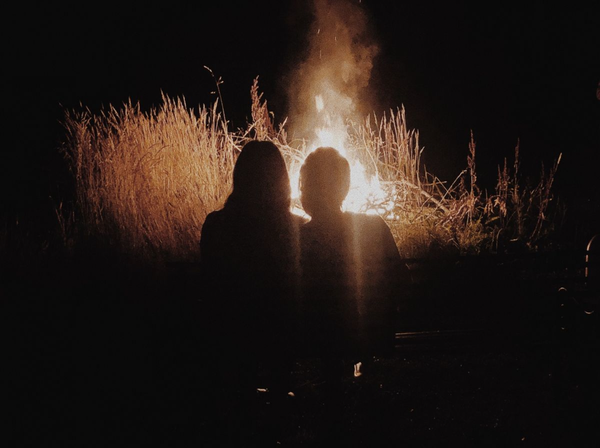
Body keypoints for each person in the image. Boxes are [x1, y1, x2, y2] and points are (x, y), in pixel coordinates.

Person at [199, 140, 306, 444]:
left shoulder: (215, 225)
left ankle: (242, 417)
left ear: (239, 178)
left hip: (231, 330)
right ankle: (277, 408)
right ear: (282, 181)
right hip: (284, 332)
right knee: (279, 319)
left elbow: (211, 283)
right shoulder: (296, 229)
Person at [298, 146, 408, 398]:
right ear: (344, 186)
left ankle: (332, 388)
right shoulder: (374, 227)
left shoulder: (297, 239)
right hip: (372, 333)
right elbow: (402, 281)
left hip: (310, 337)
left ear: (305, 188)